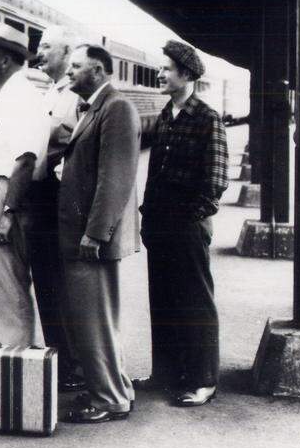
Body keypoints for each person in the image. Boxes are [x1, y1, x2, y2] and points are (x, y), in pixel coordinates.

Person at [138, 40, 228, 408]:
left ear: (186, 74)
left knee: (194, 301)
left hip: (187, 225)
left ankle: (203, 379)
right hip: (160, 223)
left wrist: (191, 218)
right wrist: (150, 216)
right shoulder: (165, 115)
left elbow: (216, 180)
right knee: (163, 298)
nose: (160, 74)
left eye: (166, 69)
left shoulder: (207, 118)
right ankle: (167, 373)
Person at [57, 44, 141, 423]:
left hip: (89, 238)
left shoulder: (115, 107)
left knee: (93, 321)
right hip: (84, 234)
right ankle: (117, 388)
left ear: (98, 70)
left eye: (76, 66)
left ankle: (108, 399)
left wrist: (95, 234)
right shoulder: (96, 107)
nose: (69, 72)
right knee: (98, 319)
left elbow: (116, 177)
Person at [0, 22, 48, 347]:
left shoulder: (23, 97)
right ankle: (3, 360)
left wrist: (8, 212)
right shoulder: (7, 95)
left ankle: (15, 361)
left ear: (5, 60)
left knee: (6, 285)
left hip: (2, 193)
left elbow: (25, 160)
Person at [29, 24, 86, 391]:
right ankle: (60, 358)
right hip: (41, 196)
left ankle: (73, 365)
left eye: (47, 46)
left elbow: (75, 150)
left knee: (60, 284)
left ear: (67, 53)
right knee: (47, 282)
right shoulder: (50, 91)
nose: (40, 51)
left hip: (56, 196)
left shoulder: (74, 97)